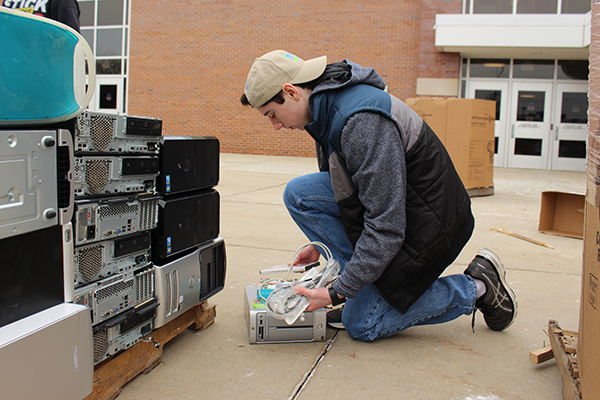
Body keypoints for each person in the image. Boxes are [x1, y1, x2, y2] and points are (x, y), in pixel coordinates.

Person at [240, 50, 517, 341]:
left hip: (430, 223)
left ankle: (478, 287)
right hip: (401, 206)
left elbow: (387, 227)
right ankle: (362, 283)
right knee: (299, 194)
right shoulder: (322, 109)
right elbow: (341, 188)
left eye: (272, 114)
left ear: (291, 92)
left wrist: (337, 291)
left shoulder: (360, 121)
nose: (276, 126)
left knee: (362, 324)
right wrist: (322, 243)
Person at [2, 0, 81, 32]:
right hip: (9, 63)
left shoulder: (63, 2)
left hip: (45, 63)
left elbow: (72, 42)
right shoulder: (6, 2)